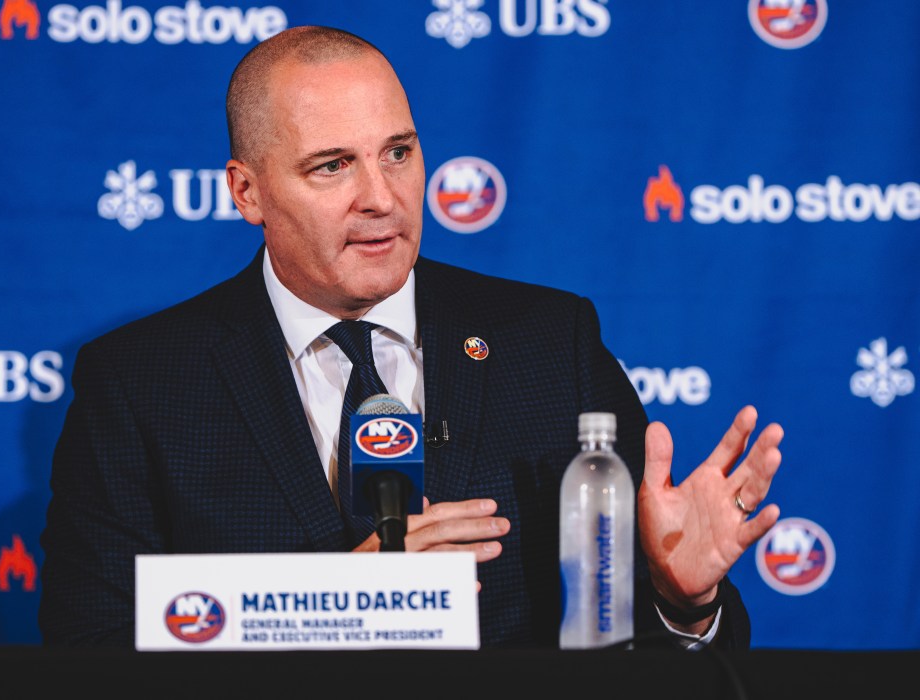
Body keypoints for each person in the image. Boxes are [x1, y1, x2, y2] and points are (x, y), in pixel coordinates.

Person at [38, 25, 784, 649]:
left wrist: (682, 601)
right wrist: (338, 604)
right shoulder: (140, 383)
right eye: (332, 166)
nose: (381, 198)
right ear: (248, 192)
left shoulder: (551, 343)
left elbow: (656, 652)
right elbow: (91, 648)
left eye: (398, 153)